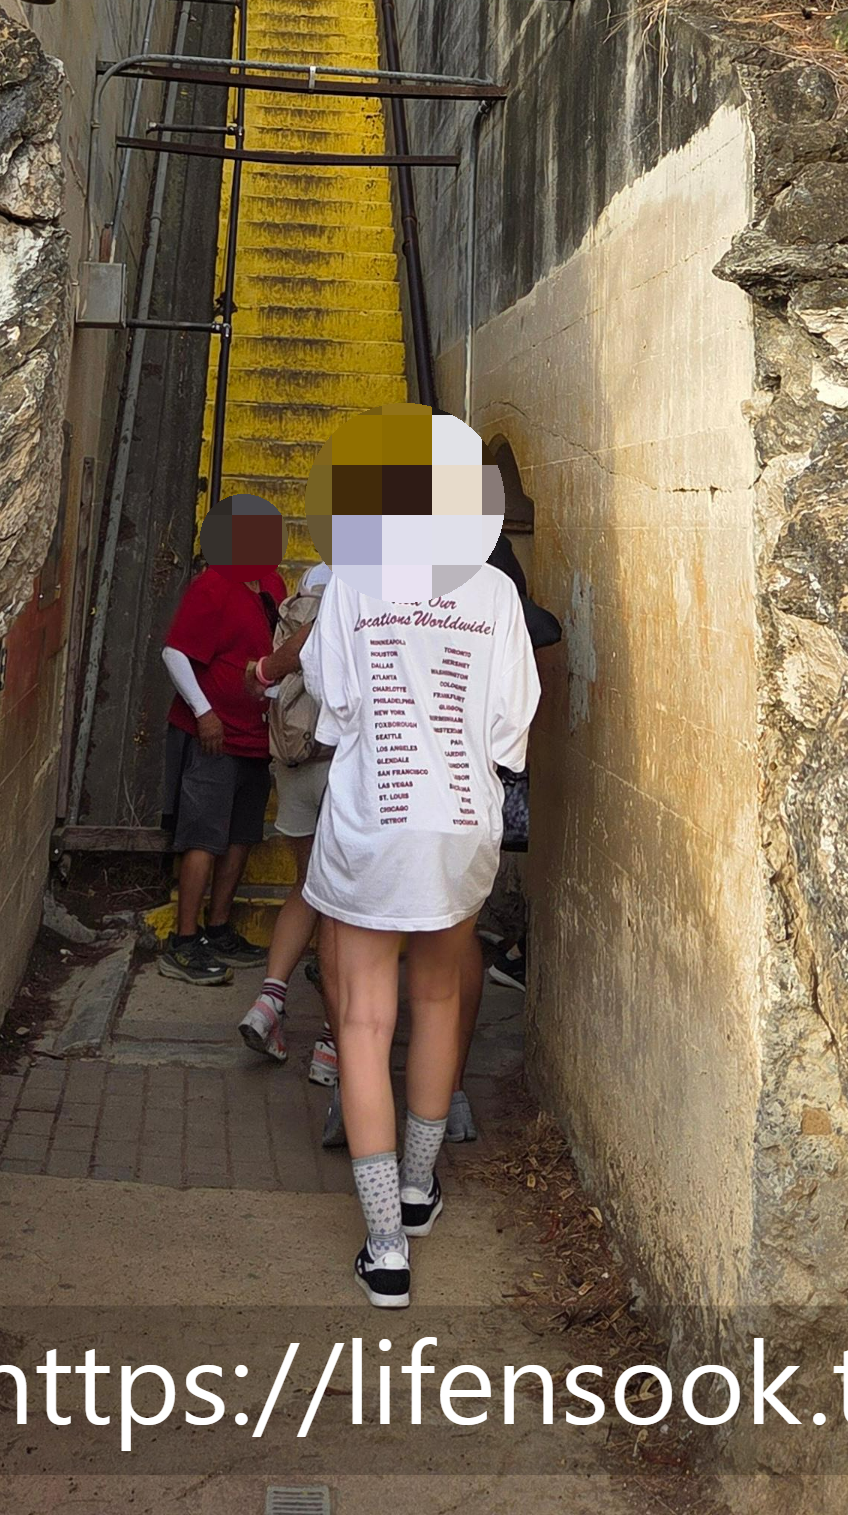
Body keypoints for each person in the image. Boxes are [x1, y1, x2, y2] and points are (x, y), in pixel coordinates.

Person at [283, 411, 539, 1308]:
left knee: (362, 1022)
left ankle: (386, 1245)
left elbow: (333, 701)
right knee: (439, 1000)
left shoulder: (357, 576)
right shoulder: (496, 593)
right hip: (462, 824)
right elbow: (512, 729)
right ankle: (423, 1189)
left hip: (374, 821)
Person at [154, 493, 285, 985]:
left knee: (241, 836)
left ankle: (219, 927)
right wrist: (204, 712)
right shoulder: (213, 585)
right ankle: (183, 941)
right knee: (204, 836)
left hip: (255, 734)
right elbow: (175, 653)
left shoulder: (270, 582)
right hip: (214, 735)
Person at [236, 564, 340, 1086]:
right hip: (345, 764)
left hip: (296, 758)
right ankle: (332, 1041)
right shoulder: (380, 575)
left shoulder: (311, 575)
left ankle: (269, 1000)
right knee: (349, 906)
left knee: (306, 886)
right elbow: (310, 639)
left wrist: (261, 674)